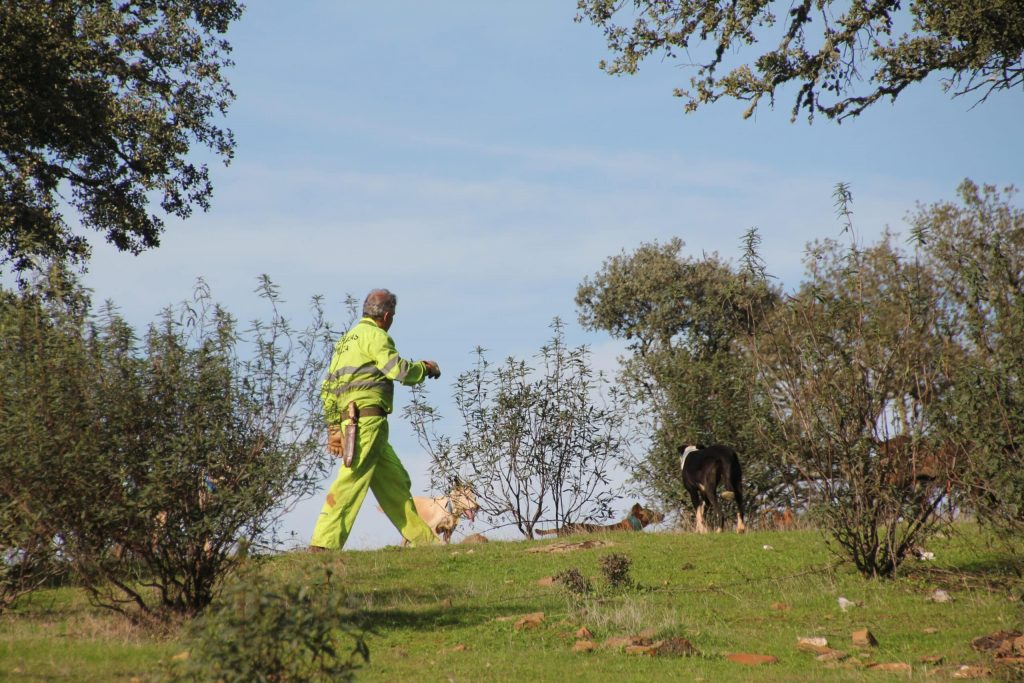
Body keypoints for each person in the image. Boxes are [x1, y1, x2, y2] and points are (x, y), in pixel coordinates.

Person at [309, 289, 442, 551]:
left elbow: (327, 388)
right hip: (367, 422)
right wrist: (424, 368)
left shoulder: (345, 342)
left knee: (396, 482)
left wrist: (334, 426)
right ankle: (322, 545)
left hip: (353, 423)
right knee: (351, 481)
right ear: (387, 316)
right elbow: (398, 370)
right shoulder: (377, 336)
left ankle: (425, 543)